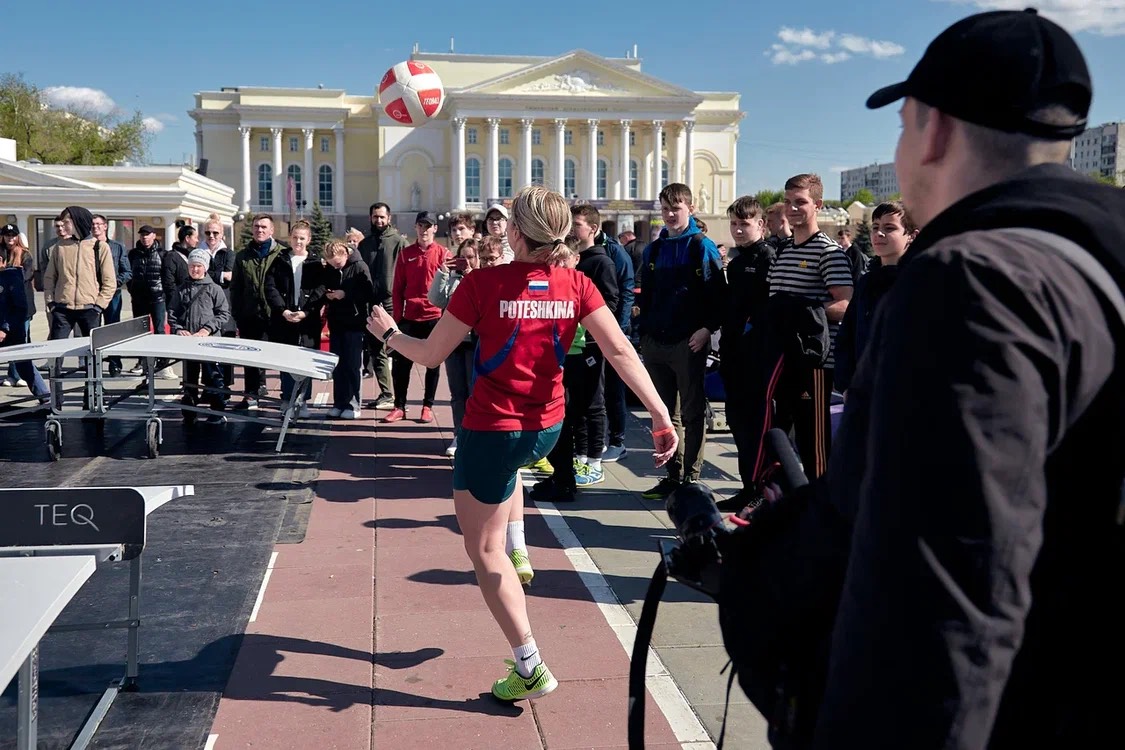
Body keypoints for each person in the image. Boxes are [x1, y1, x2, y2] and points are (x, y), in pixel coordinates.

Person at [813, 9, 1125, 746]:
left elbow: (946, 589)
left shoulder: (970, 282)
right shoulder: (1094, 251)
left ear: (935, 130)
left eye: (900, 128)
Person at [365, 185, 677, 703]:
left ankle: (529, 663)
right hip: (546, 428)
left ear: (514, 232)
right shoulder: (575, 282)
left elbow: (430, 355)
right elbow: (620, 348)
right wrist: (662, 414)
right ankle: (521, 547)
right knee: (508, 480)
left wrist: (390, 334)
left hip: (492, 431)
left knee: (481, 550)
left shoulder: (482, 285)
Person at [743, 174, 852, 486]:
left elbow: (846, 304)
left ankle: (822, 515)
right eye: (788, 202)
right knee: (779, 439)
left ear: (817, 205)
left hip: (814, 366)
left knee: (814, 446)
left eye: (800, 202)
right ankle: (786, 510)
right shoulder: (785, 249)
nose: (792, 208)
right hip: (782, 361)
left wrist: (801, 313)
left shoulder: (828, 251)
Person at [634, 183, 727, 500]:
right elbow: (646, 297)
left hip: (688, 344)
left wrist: (706, 329)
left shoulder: (702, 247)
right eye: (665, 209)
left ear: (691, 208)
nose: (670, 215)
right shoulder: (653, 250)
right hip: (655, 343)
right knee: (664, 414)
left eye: (676, 208)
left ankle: (692, 479)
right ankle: (673, 478)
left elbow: (719, 296)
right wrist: (643, 336)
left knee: (692, 412)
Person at [715, 197, 775, 510]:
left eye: (745, 224)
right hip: (734, 355)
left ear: (761, 225)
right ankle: (747, 487)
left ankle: (760, 492)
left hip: (756, 359)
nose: (738, 229)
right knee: (738, 426)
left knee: (755, 428)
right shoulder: (738, 262)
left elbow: (766, 311)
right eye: (734, 224)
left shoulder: (768, 257)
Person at [833, 202, 916, 394]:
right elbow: (847, 336)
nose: (879, 234)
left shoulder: (918, 283)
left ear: (912, 235)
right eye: (875, 227)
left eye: (889, 228)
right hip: (863, 393)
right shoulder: (867, 282)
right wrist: (846, 385)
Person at [384, 211, 447, 424]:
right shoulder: (405, 254)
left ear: (435, 229)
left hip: (433, 317)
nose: (424, 230)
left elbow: (448, 288)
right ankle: (399, 406)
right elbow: (397, 289)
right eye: (421, 225)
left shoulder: (443, 253)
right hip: (409, 318)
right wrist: (397, 318)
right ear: (416, 228)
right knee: (402, 365)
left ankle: (427, 406)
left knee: (433, 364)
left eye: (428, 226)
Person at [427, 233, 482, 456]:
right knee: (457, 392)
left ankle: (474, 435)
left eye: (471, 257)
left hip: (474, 341)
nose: (466, 262)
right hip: (454, 342)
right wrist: (442, 272)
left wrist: (471, 275)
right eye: (462, 258)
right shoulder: (452, 278)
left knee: (473, 392)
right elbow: (436, 300)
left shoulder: (482, 278)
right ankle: (459, 434)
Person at [265, 220, 324, 417]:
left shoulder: (316, 263)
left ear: (308, 239)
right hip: (284, 319)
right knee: (286, 360)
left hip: (308, 321)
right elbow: (270, 287)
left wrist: (306, 312)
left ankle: (303, 400)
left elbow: (320, 290)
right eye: (295, 237)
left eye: (301, 238)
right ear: (290, 238)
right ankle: (287, 398)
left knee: (307, 361)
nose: (298, 241)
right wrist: (283, 311)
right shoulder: (280, 260)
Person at [169, 249, 230, 425]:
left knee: (213, 377)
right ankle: (189, 411)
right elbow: (172, 312)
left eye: (198, 266)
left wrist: (207, 329)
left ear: (205, 268)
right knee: (190, 379)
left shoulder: (214, 289)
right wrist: (178, 328)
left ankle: (217, 411)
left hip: (209, 341)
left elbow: (223, 313)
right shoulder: (181, 289)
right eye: (192, 266)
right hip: (189, 343)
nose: (195, 269)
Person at [316, 239, 375, 419]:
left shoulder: (359, 266)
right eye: (332, 263)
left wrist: (345, 294)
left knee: (353, 365)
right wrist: (329, 295)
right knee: (338, 366)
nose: (335, 265)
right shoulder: (331, 269)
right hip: (337, 322)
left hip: (354, 322)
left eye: (338, 262)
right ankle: (339, 403)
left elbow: (368, 292)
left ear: (345, 254)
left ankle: (353, 403)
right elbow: (324, 285)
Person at [230, 214, 283, 410]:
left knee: (281, 356)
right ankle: (251, 395)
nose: (259, 230)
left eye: (263, 227)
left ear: (271, 231)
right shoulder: (243, 256)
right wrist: (237, 313)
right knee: (250, 358)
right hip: (249, 315)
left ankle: (288, 396)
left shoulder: (282, 253)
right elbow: (236, 287)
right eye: (256, 227)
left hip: (276, 315)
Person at [357, 202, 406, 405]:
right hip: (370, 301)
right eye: (375, 216)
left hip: (390, 301)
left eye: (382, 217)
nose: (379, 220)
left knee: (397, 346)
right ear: (371, 218)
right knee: (376, 348)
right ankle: (386, 394)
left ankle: (401, 398)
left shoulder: (397, 242)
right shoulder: (365, 244)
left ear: (389, 218)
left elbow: (404, 272)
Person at [43, 206, 116, 340]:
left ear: (77, 221)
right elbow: (49, 278)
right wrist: (51, 303)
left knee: (91, 352)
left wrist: (99, 306)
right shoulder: (60, 247)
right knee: (55, 350)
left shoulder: (100, 247)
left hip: (90, 309)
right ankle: (54, 363)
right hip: (62, 308)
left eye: (66, 222)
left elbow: (110, 281)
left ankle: (86, 362)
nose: (63, 226)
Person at [0, 251, 50, 404]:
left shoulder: (12, 276)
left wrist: (4, 328)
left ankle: (46, 399)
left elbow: (20, 308)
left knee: (24, 366)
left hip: (11, 331)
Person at [90, 215, 132, 376]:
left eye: (99, 224)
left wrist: (113, 283)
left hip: (112, 294)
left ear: (105, 226)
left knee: (112, 329)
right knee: (92, 331)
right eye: (93, 224)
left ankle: (115, 363)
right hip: (91, 295)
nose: (96, 227)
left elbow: (127, 271)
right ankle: (94, 365)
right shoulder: (85, 246)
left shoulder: (117, 247)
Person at [201, 214, 237, 398]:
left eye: (215, 232)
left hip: (226, 306)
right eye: (208, 232)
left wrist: (207, 274)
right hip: (204, 308)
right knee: (206, 349)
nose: (211, 236)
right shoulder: (198, 252)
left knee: (226, 348)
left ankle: (224, 386)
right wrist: (220, 276)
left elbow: (230, 277)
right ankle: (209, 386)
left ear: (222, 234)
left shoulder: (229, 253)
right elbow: (196, 275)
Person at [126, 225, 171, 375]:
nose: (144, 237)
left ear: (154, 236)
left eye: (147, 234)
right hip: (138, 298)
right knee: (140, 331)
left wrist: (165, 294)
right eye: (142, 235)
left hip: (157, 297)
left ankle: (162, 361)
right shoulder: (133, 254)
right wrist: (132, 288)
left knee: (159, 329)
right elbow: (128, 273)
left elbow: (166, 276)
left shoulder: (163, 254)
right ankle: (142, 361)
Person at [1, 224, 35, 387]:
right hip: (3, 305)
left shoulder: (25, 254)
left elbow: (26, 275)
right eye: (7, 235)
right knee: (7, 339)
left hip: (21, 305)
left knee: (21, 339)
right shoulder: (1, 253)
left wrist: (7, 273)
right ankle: (12, 374)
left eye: (13, 235)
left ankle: (18, 374)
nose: (10, 238)